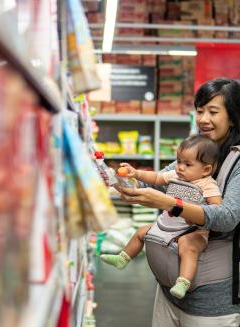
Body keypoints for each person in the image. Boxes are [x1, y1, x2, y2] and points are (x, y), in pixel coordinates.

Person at [116, 78, 240, 326]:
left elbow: (226, 218)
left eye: (213, 112)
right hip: (167, 293)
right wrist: (127, 182)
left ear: (234, 117)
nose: (203, 119)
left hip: (210, 303)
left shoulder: (237, 162)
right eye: (200, 110)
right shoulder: (197, 150)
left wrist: (168, 203)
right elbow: (160, 181)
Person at [101, 134, 221, 300]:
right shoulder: (175, 175)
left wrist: (198, 213)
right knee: (141, 232)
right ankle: (123, 258)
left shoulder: (207, 184)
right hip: (169, 224)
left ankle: (183, 281)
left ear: (206, 169)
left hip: (193, 230)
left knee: (188, 247)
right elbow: (156, 178)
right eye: (178, 161)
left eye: (187, 164)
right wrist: (136, 173)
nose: (180, 167)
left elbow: (216, 208)